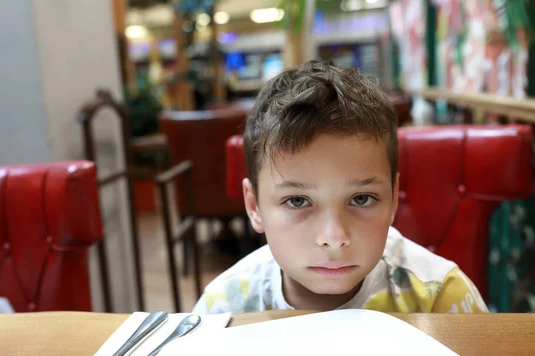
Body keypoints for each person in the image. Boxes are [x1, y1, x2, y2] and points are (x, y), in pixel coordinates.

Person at [192, 61, 488, 314]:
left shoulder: (442, 300)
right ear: (254, 206)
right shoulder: (225, 309)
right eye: (296, 200)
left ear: (393, 199)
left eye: (361, 198)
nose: (334, 238)